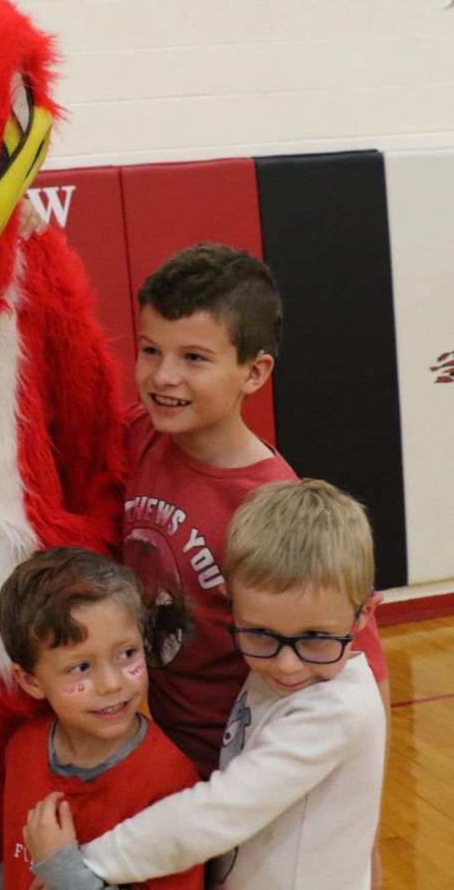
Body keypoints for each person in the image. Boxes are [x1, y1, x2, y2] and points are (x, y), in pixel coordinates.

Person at [25, 479, 386, 890]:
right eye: (261, 636)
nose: (287, 665)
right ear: (230, 609)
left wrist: (92, 862)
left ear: (364, 615)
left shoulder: (336, 711)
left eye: (316, 639)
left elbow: (222, 811)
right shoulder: (295, 667)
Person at [118, 242, 389, 780]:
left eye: (193, 358)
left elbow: (362, 660)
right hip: (166, 754)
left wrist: (361, 825)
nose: (163, 376)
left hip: (252, 764)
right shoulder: (137, 437)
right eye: (151, 350)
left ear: (254, 373)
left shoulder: (272, 506)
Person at [0, 547, 203, 890]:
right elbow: (19, 863)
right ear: (31, 680)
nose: (112, 684)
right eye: (81, 667)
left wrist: (63, 871)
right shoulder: (24, 749)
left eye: (127, 653)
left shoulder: (168, 781)